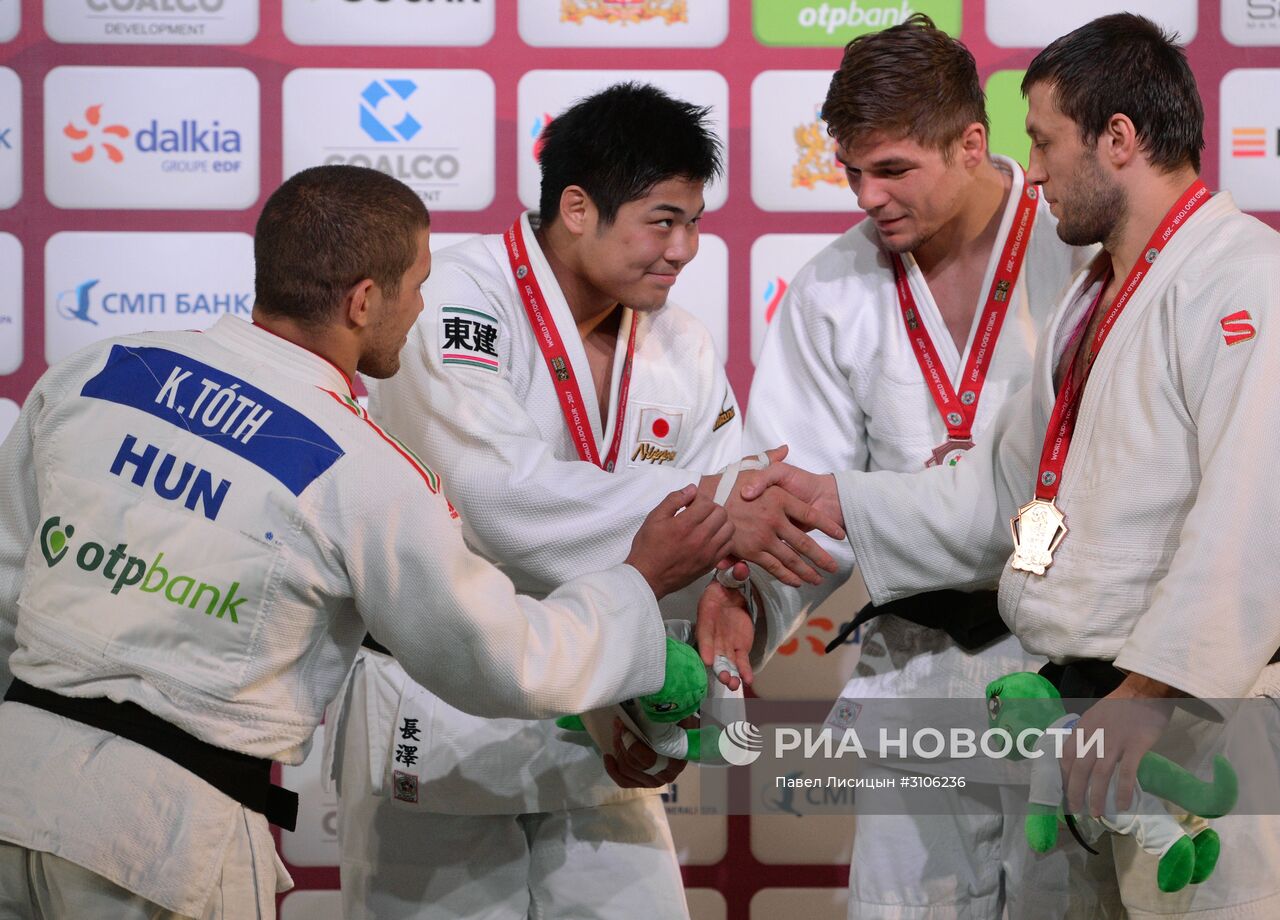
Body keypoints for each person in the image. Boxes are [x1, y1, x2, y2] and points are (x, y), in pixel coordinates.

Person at [741, 13, 1280, 918]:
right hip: (1084, 719)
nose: (1029, 172)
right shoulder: (1097, 295)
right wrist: (839, 499)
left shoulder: (1258, 285)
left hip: (1207, 722)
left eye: (1042, 142)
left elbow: (1259, 524)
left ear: (1117, 140)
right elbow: (1008, 493)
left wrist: (1152, 691)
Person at [0, 164, 735, 919]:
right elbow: (503, 659)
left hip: (13, 785)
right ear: (363, 301)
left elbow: (6, 592)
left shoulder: (96, 373)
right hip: (160, 840)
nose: (422, 308)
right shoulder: (362, 467)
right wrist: (637, 580)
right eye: (417, 286)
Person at [328, 82, 843, 920]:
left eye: (695, 223)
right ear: (576, 208)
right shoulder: (456, 299)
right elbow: (492, 497)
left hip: (600, 715)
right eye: (662, 220)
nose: (683, 250)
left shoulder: (680, 341)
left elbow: (712, 543)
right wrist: (718, 504)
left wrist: (700, 641)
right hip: (450, 701)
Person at [736, 15, 1106, 920]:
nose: (866, 194)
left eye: (893, 168)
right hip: (913, 668)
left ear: (972, 144)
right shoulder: (828, 288)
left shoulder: (1082, 249)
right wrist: (743, 609)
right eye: (851, 169)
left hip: (1067, 659)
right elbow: (800, 510)